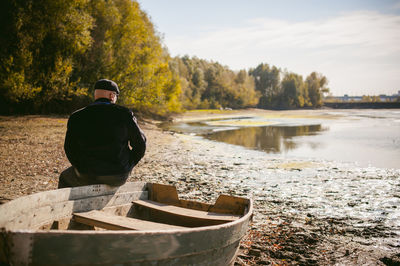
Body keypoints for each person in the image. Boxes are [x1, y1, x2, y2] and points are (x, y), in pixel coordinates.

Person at [58, 79, 146, 188]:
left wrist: (80, 167)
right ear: (111, 95)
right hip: (118, 174)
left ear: (96, 95)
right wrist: (128, 165)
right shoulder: (124, 114)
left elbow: (69, 148)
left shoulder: (76, 116)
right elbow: (141, 144)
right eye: (116, 96)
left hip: (86, 174)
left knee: (64, 177)